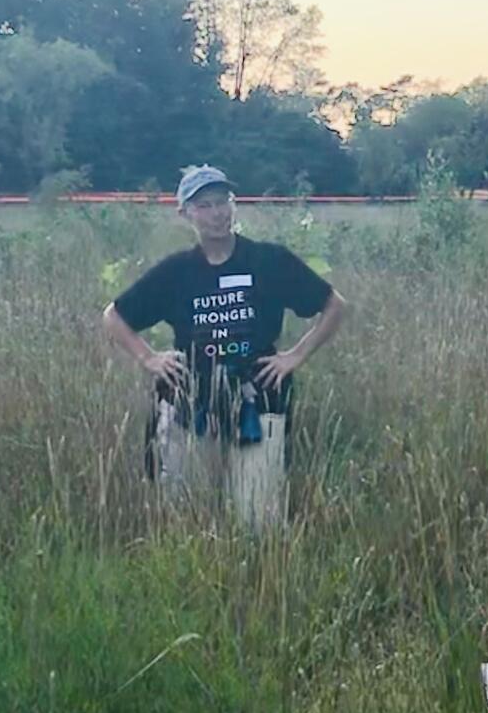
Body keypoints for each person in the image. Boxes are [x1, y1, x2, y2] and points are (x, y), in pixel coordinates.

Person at [103, 166, 346, 530]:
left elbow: (334, 305)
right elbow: (113, 316)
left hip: (260, 401)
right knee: (187, 516)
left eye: (223, 202)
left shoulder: (269, 261)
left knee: (258, 519)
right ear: (185, 213)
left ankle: (254, 581)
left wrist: (295, 355)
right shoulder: (176, 272)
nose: (217, 213)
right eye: (205, 205)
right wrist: (149, 358)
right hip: (189, 402)